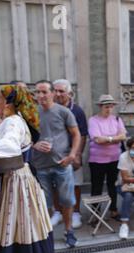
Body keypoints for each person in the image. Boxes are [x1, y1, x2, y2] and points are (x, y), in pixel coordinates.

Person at [0, 85, 54, 253]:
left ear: (7, 103)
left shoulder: (12, 122)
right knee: (22, 225)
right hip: (17, 179)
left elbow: (10, 146)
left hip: (14, 180)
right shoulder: (11, 122)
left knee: (12, 225)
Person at [31, 80, 81, 248]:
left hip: (62, 165)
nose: (40, 95)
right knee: (43, 203)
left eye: (44, 92)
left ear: (52, 93)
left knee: (67, 200)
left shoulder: (63, 112)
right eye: (37, 92)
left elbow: (76, 135)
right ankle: (46, 235)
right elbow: (23, 138)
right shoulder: (31, 114)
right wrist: (34, 145)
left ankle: (69, 231)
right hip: (40, 166)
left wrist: (72, 155)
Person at [52, 79, 88, 229]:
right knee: (54, 183)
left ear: (69, 93)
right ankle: (58, 212)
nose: (58, 94)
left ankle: (76, 213)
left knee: (75, 184)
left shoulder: (77, 111)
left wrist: (78, 154)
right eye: (56, 91)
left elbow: (83, 134)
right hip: (54, 154)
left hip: (73, 152)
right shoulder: (49, 109)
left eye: (62, 91)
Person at [88, 94, 127, 220]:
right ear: (100, 106)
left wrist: (107, 139)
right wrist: (113, 139)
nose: (109, 109)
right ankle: (96, 213)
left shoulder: (116, 119)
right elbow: (97, 139)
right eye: (106, 106)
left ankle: (114, 210)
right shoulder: (93, 120)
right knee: (96, 186)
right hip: (97, 160)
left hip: (114, 158)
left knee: (113, 185)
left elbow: (123, 136)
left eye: (111, 106)